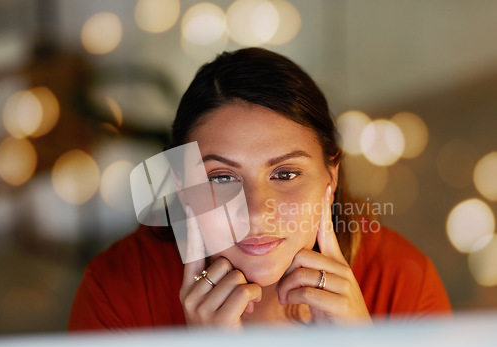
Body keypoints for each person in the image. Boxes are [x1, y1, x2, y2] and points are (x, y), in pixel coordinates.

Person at [69, 48, 451, 331]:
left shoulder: (403, 282)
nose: (256, 212)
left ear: (330, 178)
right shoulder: (116, 290)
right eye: (220, 177)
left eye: (285, 174)